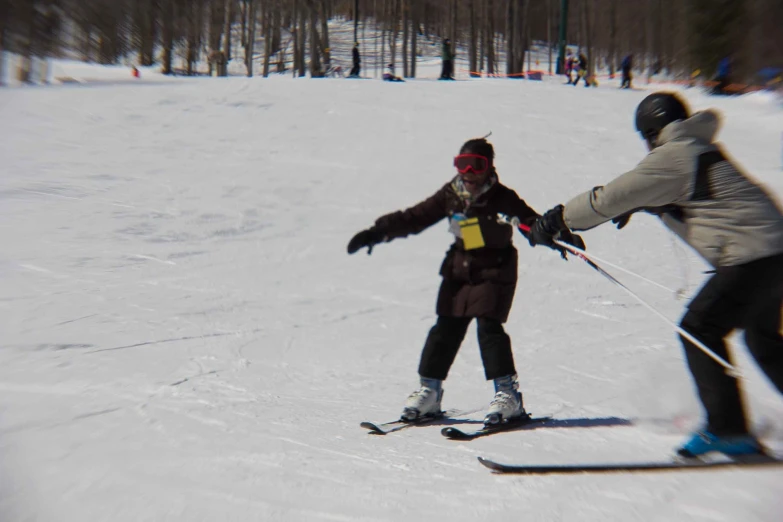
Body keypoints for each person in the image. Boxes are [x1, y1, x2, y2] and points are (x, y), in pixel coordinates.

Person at [527, 92, 783, 457]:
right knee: (763, 341)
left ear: (650, 131)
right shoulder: (701, 148)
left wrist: (555, 220)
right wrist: (653, 205)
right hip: (775, 253)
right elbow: (706, 205)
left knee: (700, 328)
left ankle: (728, 432)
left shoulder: (673, 154)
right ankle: (730, 429)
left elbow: (609, 197)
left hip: (750, 256)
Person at [346, 137, 584, 425]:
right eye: (462, 165)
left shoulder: (502, 197)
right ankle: (429, 391)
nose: (469, 173)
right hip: (459, 268)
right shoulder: (451, 194)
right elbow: (416, 217)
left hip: (495, 269)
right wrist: (378, 232)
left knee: (489, 328)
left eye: (477, 165)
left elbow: (530, 223)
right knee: (444, 328)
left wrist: (557, 238)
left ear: (490, 167)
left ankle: (508, 396)